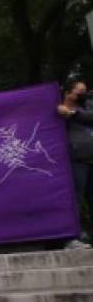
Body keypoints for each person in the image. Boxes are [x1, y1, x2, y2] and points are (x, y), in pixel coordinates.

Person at [56, 77, 93, 249]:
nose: (83, 94)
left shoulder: (85, 107)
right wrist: (62, 113)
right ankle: (73, 237)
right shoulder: (55, 108)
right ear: (68, 92)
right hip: (74, 161)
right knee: (75, 199)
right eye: (79, 90)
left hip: (90, 158)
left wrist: (72, 114)